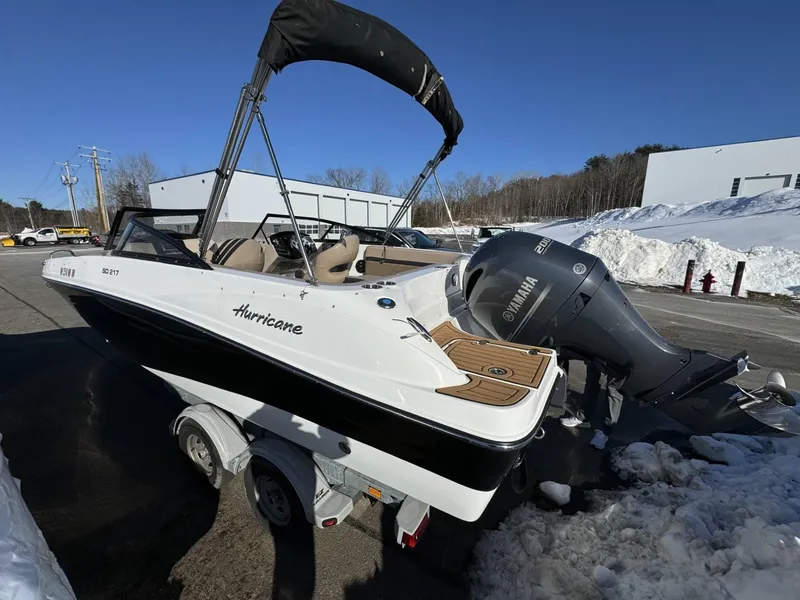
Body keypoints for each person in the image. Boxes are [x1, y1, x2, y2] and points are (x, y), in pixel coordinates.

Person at [560, 361, 623, 449]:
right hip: (599, 351)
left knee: (613, 389)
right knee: (591, 379)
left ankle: (605, 431)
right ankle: (583, 418)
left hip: (619, 355)